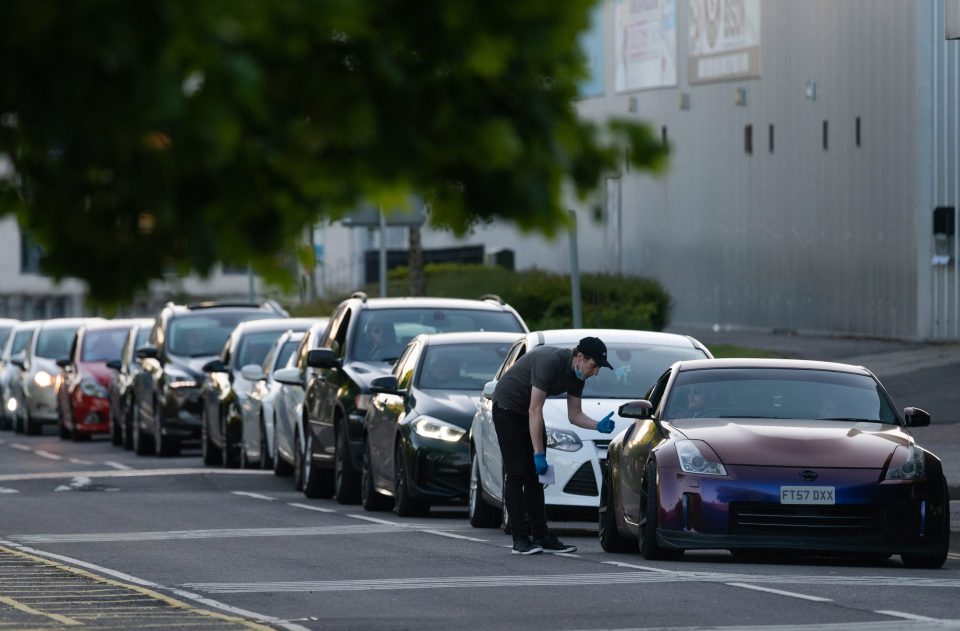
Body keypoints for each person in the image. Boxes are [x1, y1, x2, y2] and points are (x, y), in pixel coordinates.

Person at [491, 336, 617, 555]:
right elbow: (535, 409)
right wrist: (538, 453)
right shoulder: (549, 362)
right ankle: (519, 539)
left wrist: (598, 426)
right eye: (594, 366)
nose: (594, 372)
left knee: (536, 477)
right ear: (580, 357)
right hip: (507, 407)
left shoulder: (578, 376)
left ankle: (541, 536)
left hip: (528, 413)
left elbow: (575, 415)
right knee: (517, 473)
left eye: (598, 368)